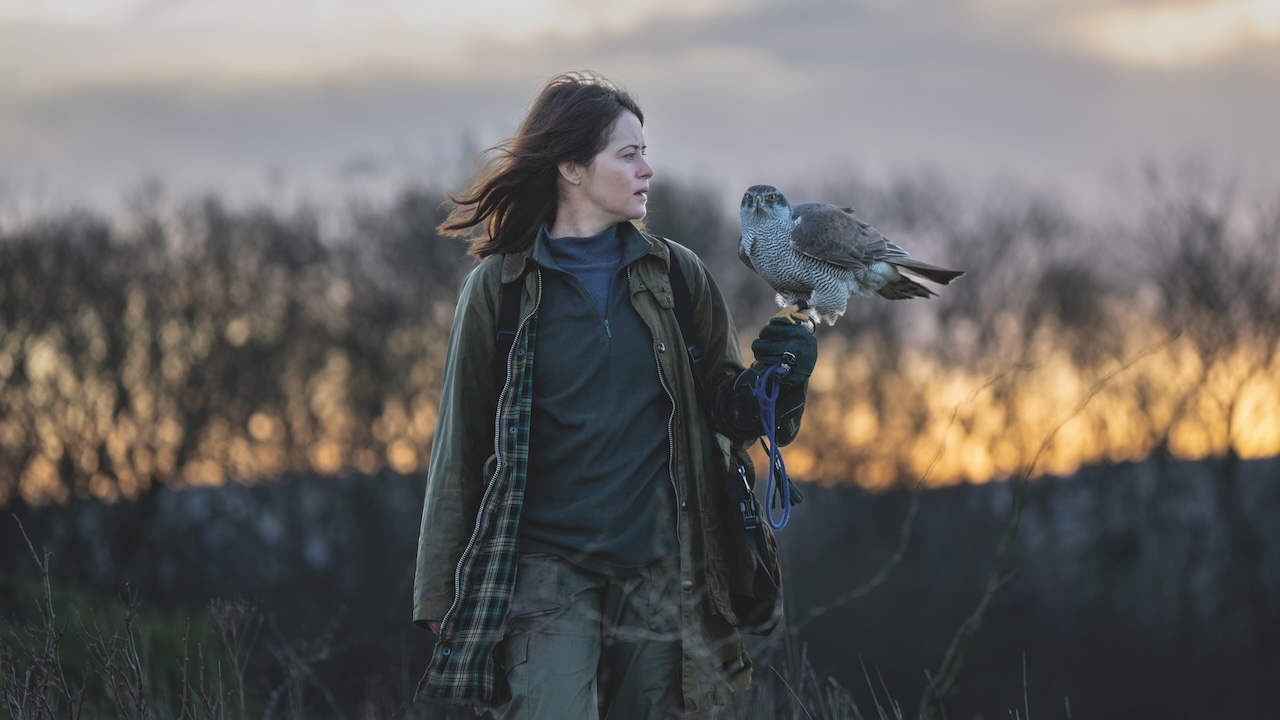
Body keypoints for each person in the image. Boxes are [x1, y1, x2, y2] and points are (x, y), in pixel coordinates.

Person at [412, 70, 817, 719]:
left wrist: (777, 382)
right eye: (628, 155)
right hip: (544, 569)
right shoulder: (500, 290)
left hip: (662, 567)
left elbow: (727, 409)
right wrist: (438, 595)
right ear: (572, 166)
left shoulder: (679, 276)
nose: (648, 169)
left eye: (645, 153)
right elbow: (459, 444)